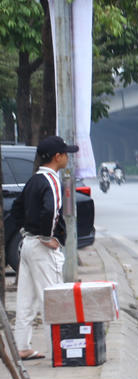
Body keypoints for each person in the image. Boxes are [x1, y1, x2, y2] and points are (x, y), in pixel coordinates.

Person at [10, 135, 78, 360]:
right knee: (53, 297)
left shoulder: (33, 181)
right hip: (41, 248)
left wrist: (24, 233)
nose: (68, 157)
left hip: (27, 244)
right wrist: (48, 236)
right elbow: (51, 211)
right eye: (66, 153)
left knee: (26, 299)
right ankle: (61, 349)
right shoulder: (51, 181)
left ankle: (22, 346)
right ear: (57, 157)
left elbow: (17, 210)